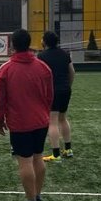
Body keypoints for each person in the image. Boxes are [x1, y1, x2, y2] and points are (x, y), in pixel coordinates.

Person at [0, 29, 54, 201]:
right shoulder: (43, 67)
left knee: (25, 162)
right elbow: (49, 95)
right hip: (41, 121)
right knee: (38, 157)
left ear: (12, 45)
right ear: (29, 44)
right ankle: (36, 196)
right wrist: (44, 113)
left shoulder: (6, 69)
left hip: (20, 123)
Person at [37, 31, 75, 163]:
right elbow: (72, 72)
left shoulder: (41, 56)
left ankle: (56, 154)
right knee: (63, 119)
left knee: (52, 121)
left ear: (45, 42)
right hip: (65, 90)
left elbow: (39, 76)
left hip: (52, 92)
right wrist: (68, 86)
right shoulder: (65, 54)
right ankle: (68, 150)